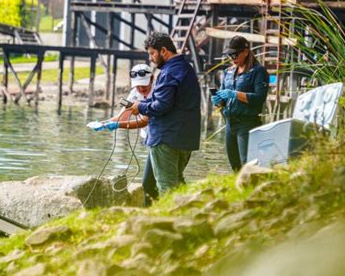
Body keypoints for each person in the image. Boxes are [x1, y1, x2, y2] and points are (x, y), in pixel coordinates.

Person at [130, 32, 201, 196]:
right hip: (185, 138)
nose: (151, 59)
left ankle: (169, 220)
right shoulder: (186, 68)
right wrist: (143, 104)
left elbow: (162, 105)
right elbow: (170, 101)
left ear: (163, 50)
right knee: (178, 183)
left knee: (166, 187)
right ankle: (190, 216)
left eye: (152, 53)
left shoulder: (168, 72)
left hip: (166, 138)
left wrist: (140, 107)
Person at [91, 64, 159, 206]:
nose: (141, 90)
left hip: (159, 138)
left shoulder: (158, 92)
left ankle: (153, 211)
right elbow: (122, 116)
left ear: (152, 79)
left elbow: (144, 121)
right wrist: (104, 123)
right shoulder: (135, 93)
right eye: (138, 86)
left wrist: (117, 125)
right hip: (150, 139)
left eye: (144, 86)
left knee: (151, 181)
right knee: (151, 181)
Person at [212, 35, 269, 171]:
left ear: (245, 52)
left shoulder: (258, 71)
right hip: (229, 124)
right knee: (235, 166)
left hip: (247, 123)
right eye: (229, 55)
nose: (232, 58)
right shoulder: (228, 72)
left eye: (235, 55)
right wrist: (218, 101)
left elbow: (259, 98)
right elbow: (223, 100)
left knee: (247, 165)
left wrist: (235, 94)